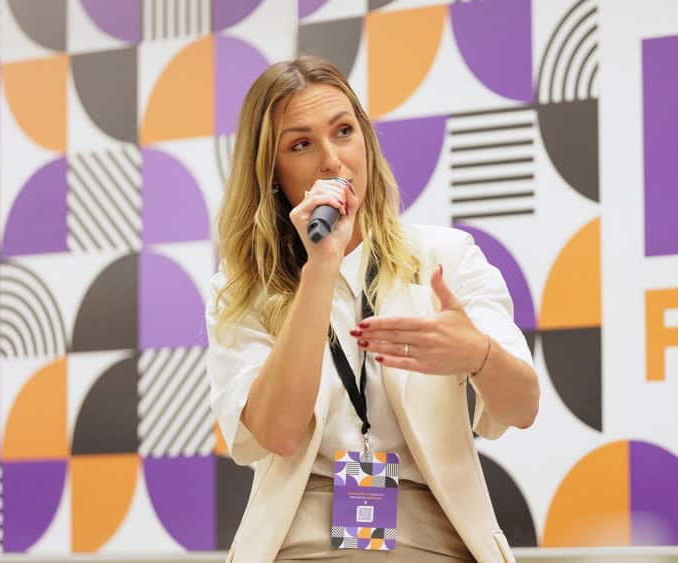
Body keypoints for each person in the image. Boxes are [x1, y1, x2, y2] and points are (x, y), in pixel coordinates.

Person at [206, 54, 540, 563]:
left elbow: (522, 408)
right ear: (271, 173)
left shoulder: (446, 256)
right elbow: (278, 433)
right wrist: (320, 266)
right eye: (300, 145)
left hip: (435, 538)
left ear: (365, 139)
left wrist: (479, 354)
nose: (332, 161)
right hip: (300, 543)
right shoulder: (242, 290)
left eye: (344, 131)